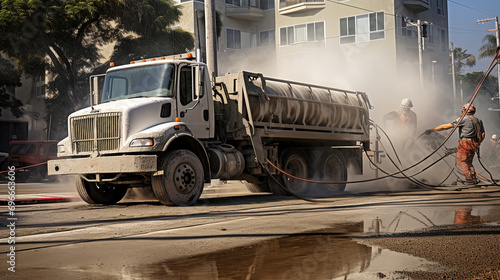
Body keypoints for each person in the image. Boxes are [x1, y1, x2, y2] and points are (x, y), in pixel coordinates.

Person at [425, 103, 485, 185]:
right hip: (474, 144)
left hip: (465, 143)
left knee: (462, 161)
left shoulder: (463, 119)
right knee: (468, 162)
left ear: (465, 110)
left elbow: (446, 126)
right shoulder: (478, 121)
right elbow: (483, 134)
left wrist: (432, 130)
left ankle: (469, 180)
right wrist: (478, 143)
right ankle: (473, 178)